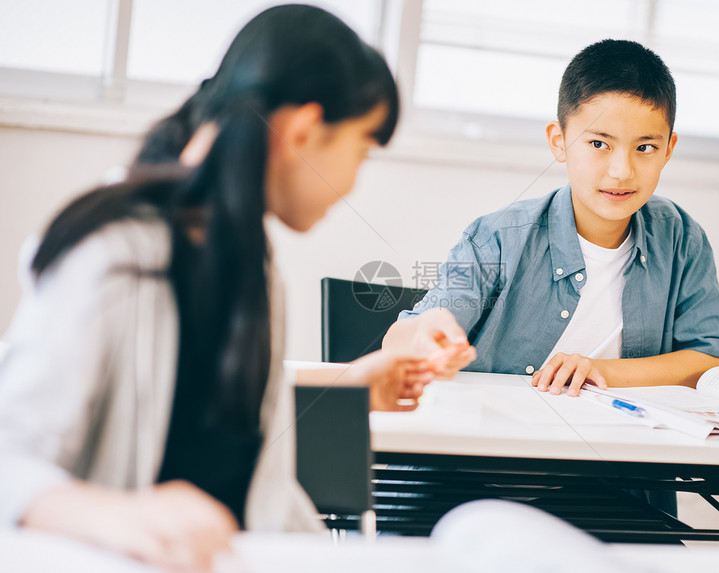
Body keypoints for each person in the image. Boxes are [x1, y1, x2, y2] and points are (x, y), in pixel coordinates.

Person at [0, 5, 454, 571]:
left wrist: (350, 381)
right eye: (361, 149)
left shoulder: (248, 258)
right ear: (303, 132)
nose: (354, 181)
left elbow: (233, 444)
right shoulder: (113, 252)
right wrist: (109, 514)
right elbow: (11, 458)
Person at [383, 39, 719, 395]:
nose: (621, 171)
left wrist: (599, 370)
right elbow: (403, 338)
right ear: (559, 141)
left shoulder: (680, 237)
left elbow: (716, 360)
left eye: (645, 148)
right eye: (599, 144)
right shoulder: (497, 238)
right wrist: (430, 330)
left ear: (668, 150)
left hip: (610, 446)